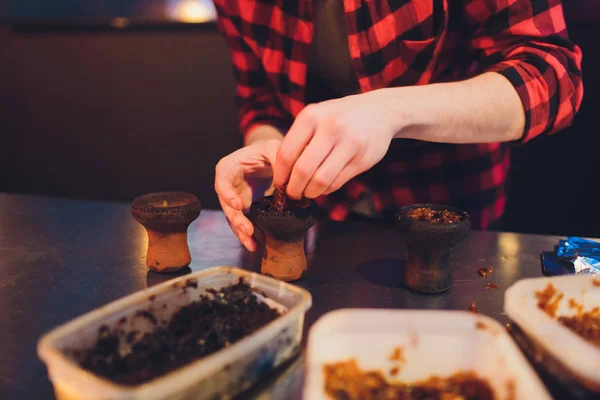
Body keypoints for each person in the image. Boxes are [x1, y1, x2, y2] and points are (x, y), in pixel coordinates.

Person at [213, 0, 583, 252]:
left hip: (453, 213)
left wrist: (389, 111)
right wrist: (268, 146)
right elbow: (260, 99)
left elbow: (551, 74)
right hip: (326, 222)